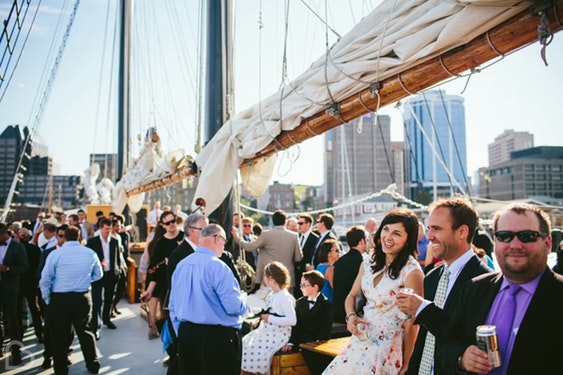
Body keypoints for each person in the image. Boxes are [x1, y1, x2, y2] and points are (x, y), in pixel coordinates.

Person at [437, 202, 563, 374]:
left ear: (548, 243)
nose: (515, 245)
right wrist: (462, 358)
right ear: (495, 241)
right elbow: (445, 345)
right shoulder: (474, 289)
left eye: (527, 236)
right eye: (504, 236)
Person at [395, 197, 492, 375]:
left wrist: (422, 308)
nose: (429, 236)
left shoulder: (484, 280)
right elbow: (426, 337)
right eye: (429, 228)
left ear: (462, 232)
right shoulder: (431, 277)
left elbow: (464, 337)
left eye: (437, 229)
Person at [323, 208, 424, 375]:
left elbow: (412, 324)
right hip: (361, 340)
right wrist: (351, 317)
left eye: (397, 233)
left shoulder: (411, 271)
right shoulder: (369, 262)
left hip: (389, 347)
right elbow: (351, 296)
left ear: (408, 240)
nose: (388, 237)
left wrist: (407, 364)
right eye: (386, 229)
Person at [169, 224, 248, 375]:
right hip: (217, 338)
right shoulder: (218, 267)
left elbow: (173, 305)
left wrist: (182, 332)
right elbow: (233, 307)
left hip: (187, 334)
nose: (223, 247)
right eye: (224, 242)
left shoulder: (181, 265)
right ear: (217, 238)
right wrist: (244, 301)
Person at [40, 225, 103, 374]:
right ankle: (93, 364)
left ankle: (61, 369)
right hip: (82, 297)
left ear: (64, 238)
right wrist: (85, 280)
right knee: (85, 332)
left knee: (60, 335)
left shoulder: (56, 254)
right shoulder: (90, 253)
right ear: (79, 237)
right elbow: (98, 274)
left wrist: (47, 298)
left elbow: (45, 279)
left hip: (60, 298)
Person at [241, 261, 297, 375]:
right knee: (244, 342)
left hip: (278, 333)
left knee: (253, 349)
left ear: (270, 278)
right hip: (267, 330)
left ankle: (253, 371)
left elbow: (292, 320)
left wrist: (270, 319)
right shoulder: (272, 294)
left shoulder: (284, 297)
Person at [234, 210, 302, 292]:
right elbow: (299, 257)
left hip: (268, 278)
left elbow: (249, 247)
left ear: (273, 221)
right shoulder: (294, 236)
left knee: (267, 303)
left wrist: (236, 238)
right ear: (285, 221)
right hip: (287, 278)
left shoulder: (265, 234)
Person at [282, 270, 334, 374]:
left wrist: (317, 341)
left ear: (315, 287)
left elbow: (326, 327)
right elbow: (296, 325)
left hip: (318, 341)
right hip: (302, 340)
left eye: (304, 285)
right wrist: (291, 342)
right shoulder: (300, 303)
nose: (301, 288)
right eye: (301, 285)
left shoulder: (326, 304)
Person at [141, 211, 183, 339]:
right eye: (168, 223)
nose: (171, 224)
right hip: (167, 285)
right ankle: (172, 352)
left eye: (173, 221)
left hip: (185, 283)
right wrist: (149, 290)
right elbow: (155, 269)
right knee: (169, 318)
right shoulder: (160, 243)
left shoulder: (185, 237)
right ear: (163, 225)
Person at [87, 218, 122, 339]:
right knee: (96, 301)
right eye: (106, 229)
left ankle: (106, 319)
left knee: (109, 298)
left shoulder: (114, 241)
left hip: (111, 274)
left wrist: (118, 270)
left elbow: (117, 257)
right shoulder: (92, 242)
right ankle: (95, 326)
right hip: (97, 275)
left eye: (110, 229)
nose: (108, 231)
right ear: (100, 228)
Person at [0, 223, 29, 365]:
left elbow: (24, 267)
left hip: (11, 289)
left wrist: (7, 269)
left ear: (4, 234)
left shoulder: (18, 247)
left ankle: (16, 352)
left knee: (13, 321)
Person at [332, 225, 368, 323]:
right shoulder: (363, 262)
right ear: (361, 241)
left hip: (339, 311)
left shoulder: (340, 261)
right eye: (367, 239)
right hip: (353, 312)